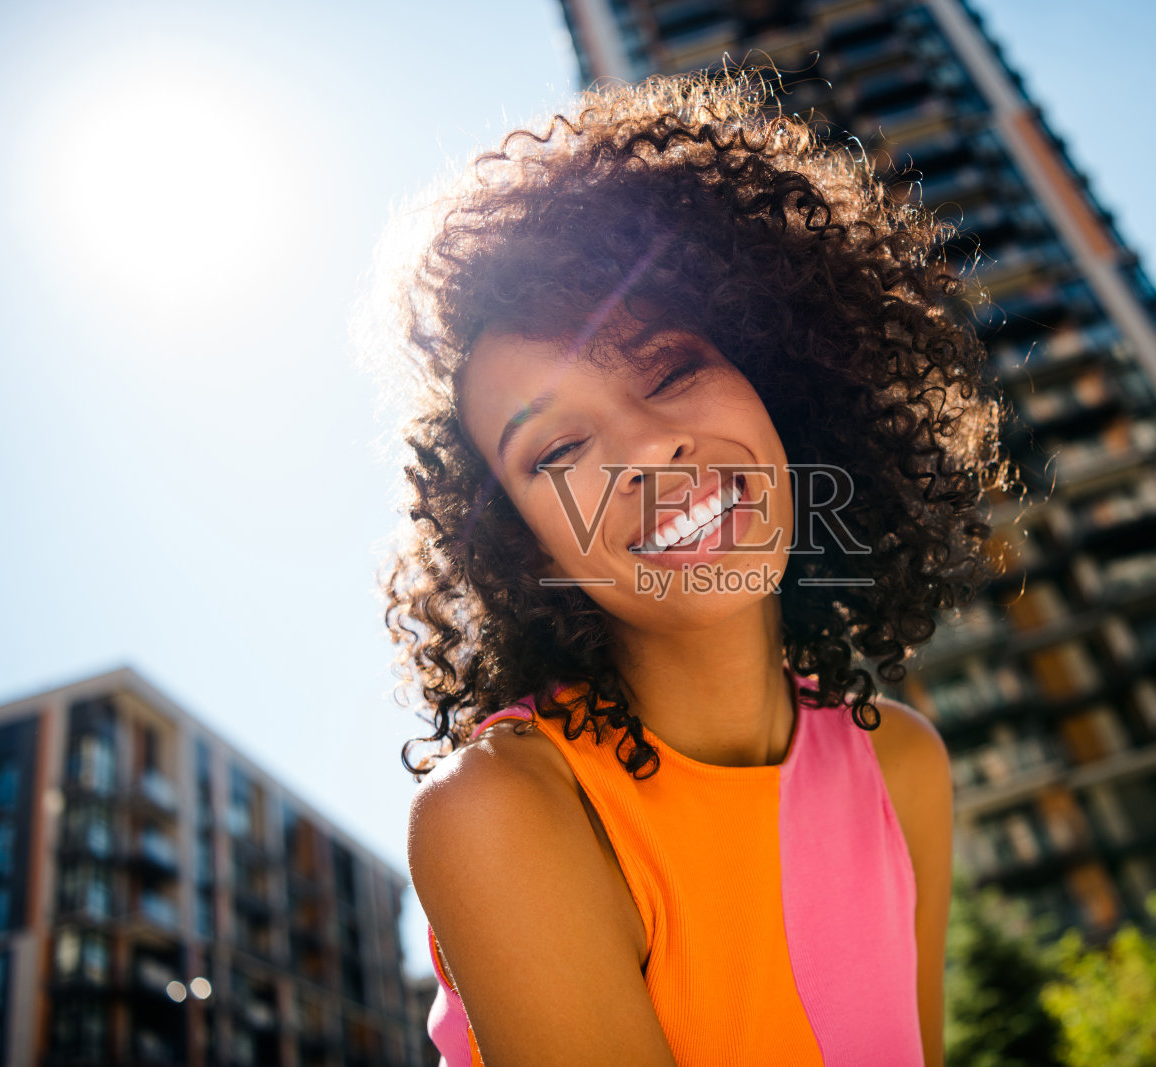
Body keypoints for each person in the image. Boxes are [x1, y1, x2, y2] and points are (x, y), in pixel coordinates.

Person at [382, 70, 1009, 1066]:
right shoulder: (503, 810)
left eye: (671, 368)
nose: (645, 453)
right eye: (556, 451)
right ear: (524, 544)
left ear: (780, 384)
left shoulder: (902, 766)